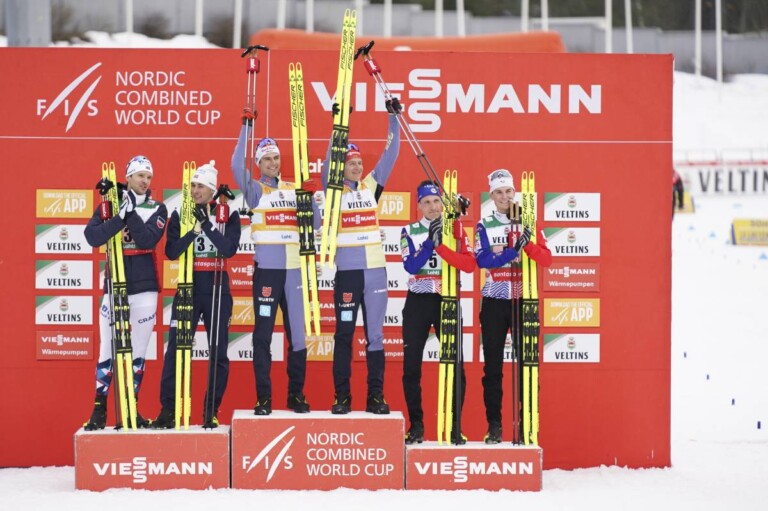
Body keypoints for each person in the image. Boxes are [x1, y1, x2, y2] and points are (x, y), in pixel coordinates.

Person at [230, 109, 321, 415]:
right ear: (258, 163)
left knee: (298, 333)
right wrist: (247, 126)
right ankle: (264, 397)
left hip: (294, 271)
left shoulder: (293, 188)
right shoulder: (256, 190)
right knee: (263, 334)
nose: (273, 163)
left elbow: (317, 224)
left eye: (276, 158)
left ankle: (296, 395)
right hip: (268, 272)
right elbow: (234, 165)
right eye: (266, 159)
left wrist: (310, 197)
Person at [321, 98, 401, 415]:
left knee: (376, 336)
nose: (355, 166)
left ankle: (375, 397)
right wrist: (339, 124)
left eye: (357, 162)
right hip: (348, 275)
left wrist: (393, 118)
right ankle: (342, 397)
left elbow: (390, 154)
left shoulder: (370, 187)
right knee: (343, 334)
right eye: (349, 162)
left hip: (376, 274)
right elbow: (329, 162)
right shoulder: (333, 191)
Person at [152, 162, 240, 428]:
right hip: (189, 286)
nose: (195, 190)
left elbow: (229, 250)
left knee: (218, 352)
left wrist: (208, 225)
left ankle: (210, 411)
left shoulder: (227, 212)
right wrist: (194, 231)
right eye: (192, 185)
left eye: (200, 186)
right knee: (176, 351)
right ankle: (168, 411)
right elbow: (171, 252)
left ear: (212, 189)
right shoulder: (181, 213)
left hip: (216, 287)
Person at [83, 155, 167, 430]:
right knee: (107, 347)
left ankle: (132, 409)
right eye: (140, 175)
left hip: (145, 289)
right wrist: (118, 215)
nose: (145, 181)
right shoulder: (109, 205)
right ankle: (99, 410)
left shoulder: (159, 207)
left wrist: (128, 213)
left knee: (138, 350)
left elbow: (147, 239)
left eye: (149, 176)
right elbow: (93, 237)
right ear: (128, 177)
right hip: (114, 284)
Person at [475, 168, 552, 444]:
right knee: (493, 368)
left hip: (523, 300)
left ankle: (527, 424)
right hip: (495, 301)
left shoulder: (528, 221)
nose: (505, 197)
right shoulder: (484, 225)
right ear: (492, 196)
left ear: (514, 192)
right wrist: (510, 251)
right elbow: (482, 260)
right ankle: (494, 426)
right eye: (499, 192)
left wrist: (527, 244)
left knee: (528, 365)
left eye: (509, 191)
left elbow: (547, 259)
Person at [400, 180, 476, 444]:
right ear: (419, 205)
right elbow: (411, 265)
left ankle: (455, 426)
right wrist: (429, 244)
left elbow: (469, 265)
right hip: (418, 301)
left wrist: (443, 244)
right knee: (411, 366)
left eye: (436, 202)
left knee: (456, 365)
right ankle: (416, 424)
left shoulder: (456, 230)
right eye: (426, 202)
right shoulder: (409, 229)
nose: (432, 207)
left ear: (442, 204)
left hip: (448, 299)